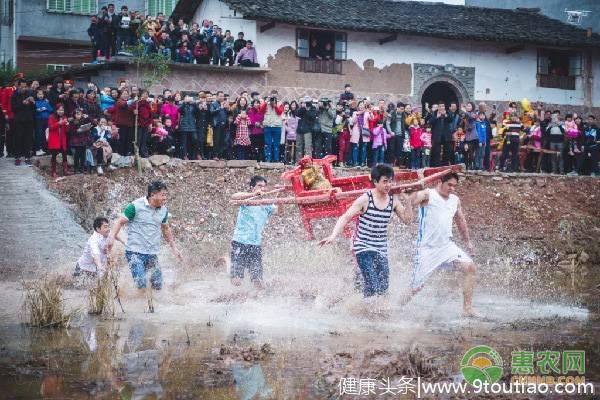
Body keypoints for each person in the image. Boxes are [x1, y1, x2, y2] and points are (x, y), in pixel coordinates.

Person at [319, 164, 412, 297]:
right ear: (375, 182)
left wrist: (408, 201)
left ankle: (362, 301)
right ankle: (363, 310)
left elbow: (407, 220)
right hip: (363, 247)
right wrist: (333, 235)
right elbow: (345, 217)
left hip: (381, 248)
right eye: (385, 181)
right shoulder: (365, 199)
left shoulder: (394, 201)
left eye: (390, 181)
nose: (388, 185)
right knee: (373, 285)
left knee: (384, 287)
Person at [403, 172, 478, 316]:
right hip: (427, 250)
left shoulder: (455, 200)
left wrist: (467, 242)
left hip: (446, 247)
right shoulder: (428, 194)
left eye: (455, 186)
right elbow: (413, 199)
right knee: (416, 288)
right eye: (449, 185)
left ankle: (467, 309)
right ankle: (397, 307)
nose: (452, 189)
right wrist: (410, 195)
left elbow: (461, 221)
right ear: (440, 182)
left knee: (470, 268)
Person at [107, 181, 183, 305]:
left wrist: (174, 248)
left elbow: (165, 229)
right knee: (141, 283)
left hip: (152, 254)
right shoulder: (135, 206)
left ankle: (154, 306)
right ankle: (140, 307)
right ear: (153, 195)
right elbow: (120, 222)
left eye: (166, 195)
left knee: (158, 285)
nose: (165, 198)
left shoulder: (163, 210)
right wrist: (111, 238)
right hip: (134, 252)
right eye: (163, 195)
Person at [230, 176, 278, 288]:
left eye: (264, 187)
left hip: (255, 245)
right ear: (252, 187)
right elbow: (234, 196)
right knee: (236, 281)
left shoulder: (267, 204)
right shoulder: (247, 200)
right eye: (259, 186)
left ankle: (255, 301)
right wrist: (254, 195)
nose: (263, 189)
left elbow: (279, 212)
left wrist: (281, 195)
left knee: (258, 281)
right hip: (240, 242)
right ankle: (228, 265)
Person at [11, 79, 35, 165]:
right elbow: (13, 109)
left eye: (25, 87)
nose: (24, 88)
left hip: (29, 120)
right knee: (18, 138)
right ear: (18, 86)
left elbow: (33, 108)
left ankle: (27, 157)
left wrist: (33, 102)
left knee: (28, 139)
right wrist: (22, 103)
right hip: (19, 120)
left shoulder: (29, 93)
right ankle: (17, 157)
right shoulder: (14, 95)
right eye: (22, 87)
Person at [259, 92, 284, 162]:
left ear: (277, 96)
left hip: (277, 126)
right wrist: (266, 102)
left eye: (275, 96)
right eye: (272, 96)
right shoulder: (266, 103)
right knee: (268, 144)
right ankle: (268, 159)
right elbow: (261, 111)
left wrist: (275, 105)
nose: (273, 97)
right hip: (268, 126)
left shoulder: (280, 103)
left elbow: (279, 112)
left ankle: (276, 159)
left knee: (276, 144)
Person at [46, 105, 71, 178]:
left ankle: (65, 171)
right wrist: (59, 123)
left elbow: (67, 130)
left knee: (64, 155)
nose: (61, 112)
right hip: (54, 139)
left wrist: (67, 124)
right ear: (56, 110)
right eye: (59, 110)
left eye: (62, 110)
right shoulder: (52, 117)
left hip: (62, 139)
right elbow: (50, 127)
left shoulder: (64, 117)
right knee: (54, 155)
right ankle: (53, 172)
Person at [34, 89, 52, 155]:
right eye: (39, 94)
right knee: (39, 134)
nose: (40, 95)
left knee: (46, 134)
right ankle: (38, 149)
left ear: (43, 95)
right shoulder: (35, 102)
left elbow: (51, 110)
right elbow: (35, 110)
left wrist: (46, 107)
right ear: (36, 95)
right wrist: (39, 109)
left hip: (46, 119)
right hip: (38, 119)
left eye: (41, 94)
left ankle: (45, 148)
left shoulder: (46, 102)